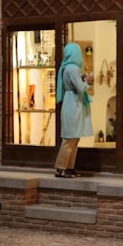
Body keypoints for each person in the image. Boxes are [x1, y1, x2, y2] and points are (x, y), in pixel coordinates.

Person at [54, 42, 93, 177]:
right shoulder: (73, 69)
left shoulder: (67, 68)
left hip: (71, 102)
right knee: (70, 139)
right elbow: (80, 88)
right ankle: (61, 168)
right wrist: (88, 81)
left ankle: (69, 168)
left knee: (73, 139)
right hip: (73, 105)